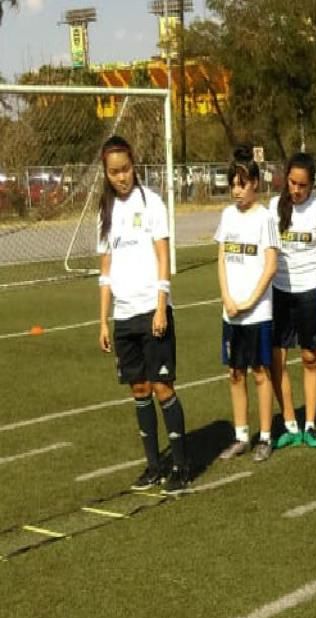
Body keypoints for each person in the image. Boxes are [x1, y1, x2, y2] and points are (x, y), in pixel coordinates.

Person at [95, 135, 190, 494]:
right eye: (114, 172)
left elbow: (163, 256)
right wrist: (104, 320)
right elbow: (105, 270)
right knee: (139, 388)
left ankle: (181, 465)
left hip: (153, 311)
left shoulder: (151, 203)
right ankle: (153, 465)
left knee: (163, 387)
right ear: (106, 173)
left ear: (134, 165)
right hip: (124, 316)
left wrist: (162, 305)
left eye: (126, 169)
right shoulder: (104, 211)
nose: (121, 177)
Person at [268, 153, 316, 449]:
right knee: (276, 360)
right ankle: (289, 422)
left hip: (312, 291)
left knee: (310, 358)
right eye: (293, 183)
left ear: (312, 185)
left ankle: (309, 425)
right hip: (280, 292)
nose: (296, 190)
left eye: (303, 185)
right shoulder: (273, 207)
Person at [215, 147, 280, 464]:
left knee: (259, 372)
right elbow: (222, 260)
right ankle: (241, 435)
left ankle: (265, 436)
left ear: (255, 183)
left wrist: (250, 302)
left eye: (242, 184)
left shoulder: (265, 218)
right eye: (233, 185)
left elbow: (270, 267)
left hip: (257, 313)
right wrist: (227, 298)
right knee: (235, 372)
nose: (236, 191)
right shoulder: (227, 216)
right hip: (231, 312)